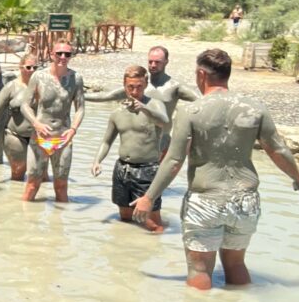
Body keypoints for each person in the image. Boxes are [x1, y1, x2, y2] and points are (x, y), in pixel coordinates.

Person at [133, 48, 299, 290]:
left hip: (206, 201)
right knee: (236, 265)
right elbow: (277, 149)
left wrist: (149, 197)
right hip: (245, 201)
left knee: (200, 269)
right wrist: (298, 178)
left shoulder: (190, 110)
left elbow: (174, 160)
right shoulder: (254, 108)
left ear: (201, 75)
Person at [90, 65, 169, 232]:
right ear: (124, 86)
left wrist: (145, 109)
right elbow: (106, 141)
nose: (134, 91)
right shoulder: (117, 112)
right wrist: (97, 160)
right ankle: (127, 252)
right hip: (122, 169)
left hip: (147, 170)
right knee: (125, 219)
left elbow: (164, 122)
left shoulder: (155, 105)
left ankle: (153, 250)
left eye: (139, 86)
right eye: (130, 87)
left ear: (146, 84)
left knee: (153, 224)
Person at [85, 45, 198, 154]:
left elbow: (203, 102)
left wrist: (188, 126)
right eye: (150, 61)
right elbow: (105, 96)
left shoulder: (174, 87)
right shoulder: (138, 85)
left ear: (166, 62)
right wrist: (78, 95)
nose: (153, 65)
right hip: (139, 144)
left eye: (157, 62)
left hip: (162, 144)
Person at [20, 42, 85, 202]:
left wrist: (73, 129)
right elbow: (24, 105)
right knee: (32, 185)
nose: (63, 57)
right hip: (40, 138)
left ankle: (59, 225)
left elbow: (80, 108)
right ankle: (24, 222)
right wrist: (36, 123)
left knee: (61, 186)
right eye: (59, 53)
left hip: (63, 138)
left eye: (67, 54)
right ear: (51, 54)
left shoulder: (75, 78)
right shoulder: (39, 76)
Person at [0, 52, 38, 181]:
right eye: (28, 67)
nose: (32, 70)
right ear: (20, 67)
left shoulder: (41, 86)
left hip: (37, 136)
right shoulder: (11, 87)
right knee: (18, 175)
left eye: (35, 68)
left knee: (39, 174)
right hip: (15, 135)